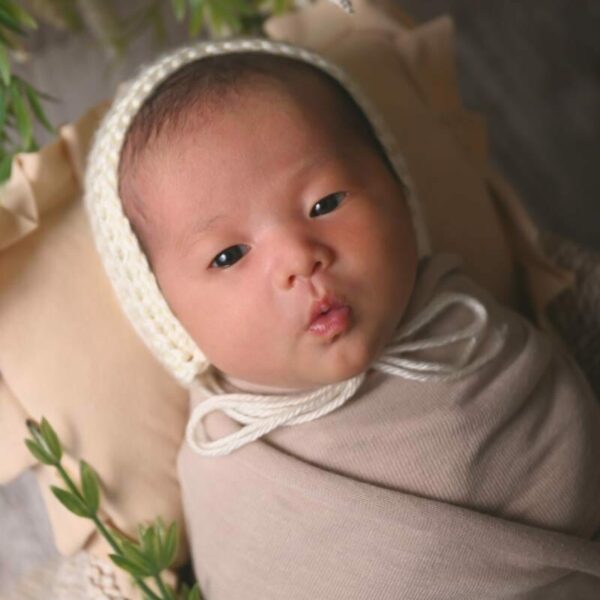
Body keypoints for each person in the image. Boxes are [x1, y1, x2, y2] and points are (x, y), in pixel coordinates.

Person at [84, 38, 600, 599]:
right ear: (165, 314)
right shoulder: (226, 461)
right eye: (229, 255)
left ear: (399, 195)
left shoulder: (469, 329)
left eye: (325, 203)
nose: (299, 258)